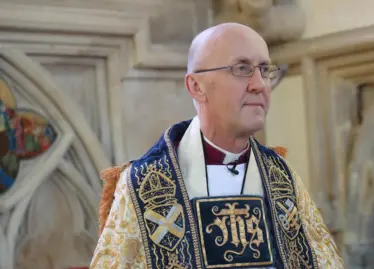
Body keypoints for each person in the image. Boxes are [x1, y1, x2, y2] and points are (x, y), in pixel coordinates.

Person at [90, 22, 344, 269]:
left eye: (265, 70)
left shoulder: (283, 179)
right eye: (242, 68)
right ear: (196, 86)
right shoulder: (146, 185)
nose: (260, 85)